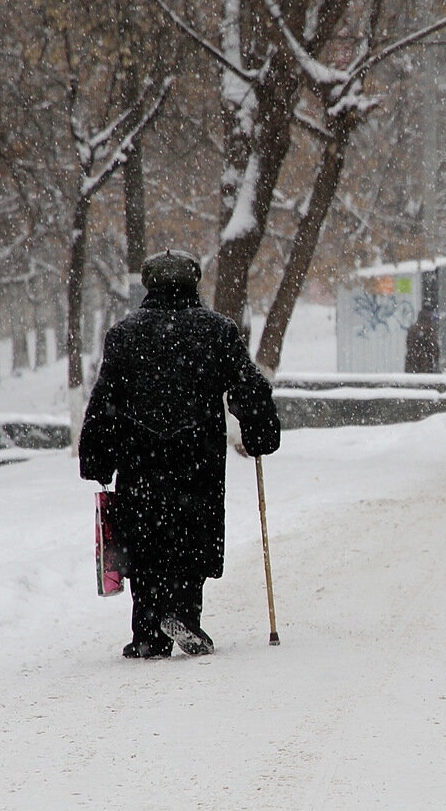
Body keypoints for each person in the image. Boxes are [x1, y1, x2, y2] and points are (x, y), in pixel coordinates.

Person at [79, 249, 281, 658]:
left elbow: (105, 402)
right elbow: (249, 388)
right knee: (190, 537)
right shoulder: (217, 331)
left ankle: (148, 632)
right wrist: (260, 430)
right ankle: (185, 616)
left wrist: (97, 455)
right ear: (194, 282)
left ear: (150, 285)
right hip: (198, 460)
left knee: (147, 539)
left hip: (141, 461)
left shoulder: (125, 334)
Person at [404, 305, 440, 374]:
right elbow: (434, 349)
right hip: (425, 367)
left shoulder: (413, 329)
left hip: (411, 366)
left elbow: (408, 345)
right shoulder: (429, 330)